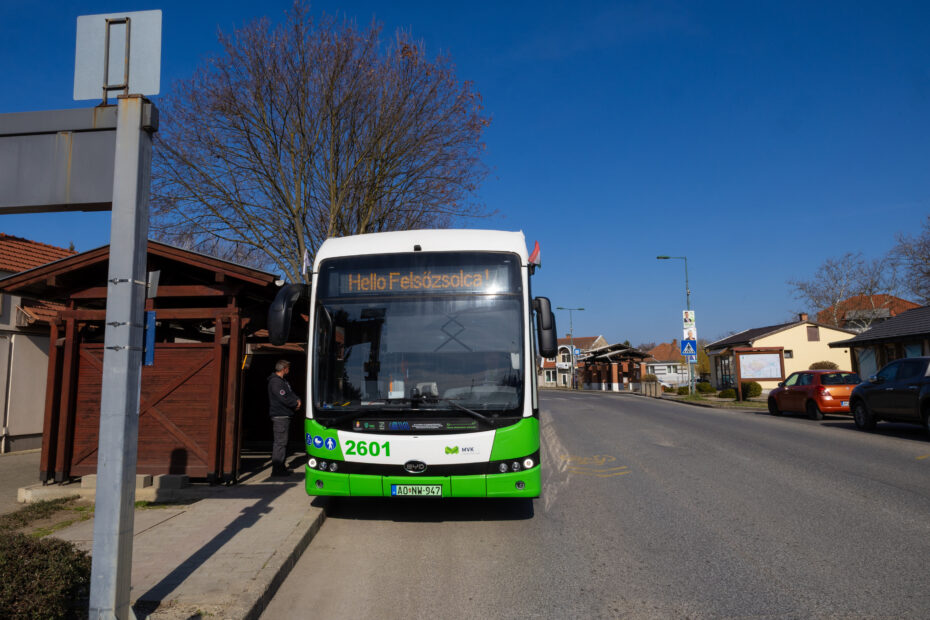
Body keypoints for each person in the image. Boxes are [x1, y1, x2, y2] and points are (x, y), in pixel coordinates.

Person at [267, 359, 301, 476]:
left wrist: (298, 400)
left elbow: (290, 394)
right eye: (288, 368)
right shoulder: (276, 382)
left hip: (285, 415)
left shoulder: (283, 381)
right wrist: (295, 404)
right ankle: (277, 470)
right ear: (283, 369)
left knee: (283, 442)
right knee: (280, 443)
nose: (289, 370)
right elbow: (284, 398)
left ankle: (281, 467)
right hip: (280, 416)